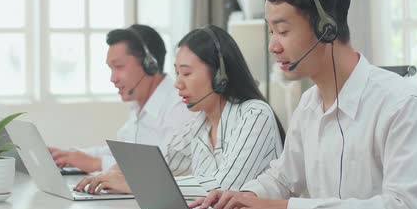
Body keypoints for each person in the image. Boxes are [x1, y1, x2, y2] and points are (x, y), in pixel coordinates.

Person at [190, 0, 417, 209]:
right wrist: (246, 197)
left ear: (325, 28)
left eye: (283, 30)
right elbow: (282, 178)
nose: (273, 46)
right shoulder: (309, 103)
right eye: (271, 31)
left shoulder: (401, 103)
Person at [74, 25, 285, 194]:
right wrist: (109, 175)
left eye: (186, 73)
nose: (177, 84)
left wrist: (135, 185)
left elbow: (224, 186)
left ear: (219, 75)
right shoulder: (199, 124)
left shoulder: (255, 115)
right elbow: (160, 163)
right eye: (177, 73)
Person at [48, 24, 196, 173]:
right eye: (111, 69)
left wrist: (96, 163)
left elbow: (161, 166)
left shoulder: (180, 105)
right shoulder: (138, 106)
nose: (113, 79)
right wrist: (71, 156)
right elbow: (122, 152)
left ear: (149, 64)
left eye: (118, 66)